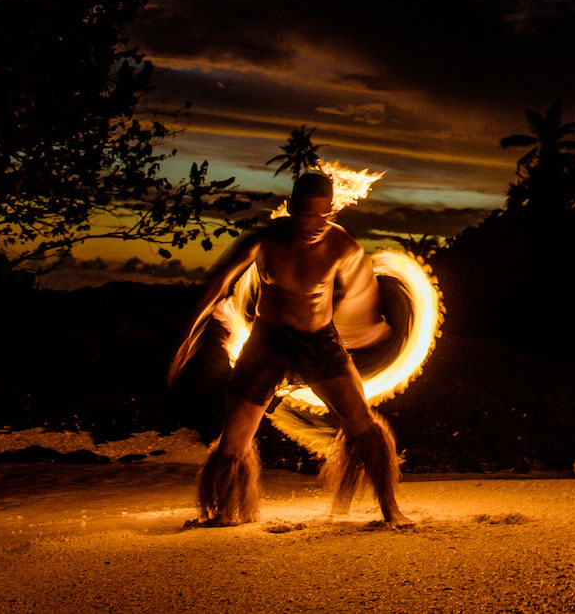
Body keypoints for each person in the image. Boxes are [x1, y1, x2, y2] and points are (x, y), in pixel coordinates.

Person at [168, 172, 412, 528]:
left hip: (319, 344)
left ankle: (390, 508)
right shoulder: (266, 241)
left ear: (332, 210)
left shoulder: (342, 246)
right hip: (267, 344)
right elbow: (218, 282)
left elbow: (364, 292)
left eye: (324, 215)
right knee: (233, 438)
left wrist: (365, 327)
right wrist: (188, 336)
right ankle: (224, 512)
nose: (316, 224)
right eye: (307, 215)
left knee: (363, 424)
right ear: (292, 208)